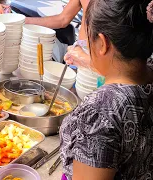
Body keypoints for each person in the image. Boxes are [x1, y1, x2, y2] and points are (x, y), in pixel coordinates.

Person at [60, 0, 153, 180]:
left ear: (102, 43)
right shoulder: (147, 72)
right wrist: (88, 61)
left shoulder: (98, 112)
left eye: (89, 37)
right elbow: (126, 69)